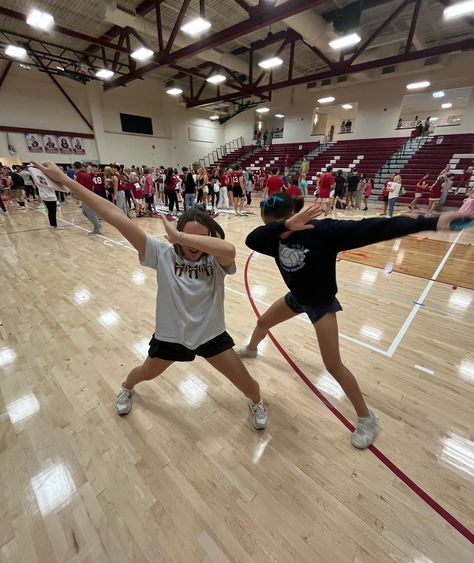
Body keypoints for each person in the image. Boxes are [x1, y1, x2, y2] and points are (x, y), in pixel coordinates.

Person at [33, 160, 268, 430]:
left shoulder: (216, 258)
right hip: (171, 337)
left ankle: (256, 401)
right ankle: (126, 387)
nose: (192, 246)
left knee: (248, 384)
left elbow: (228, 249)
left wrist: (182, 236)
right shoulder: (161, 252)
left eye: (198, 239)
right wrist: (65, 179)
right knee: (144, 373)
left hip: (210, 334)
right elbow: (114, 214)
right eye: (186, 237)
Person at [236, 194, 471, 448]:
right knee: (263, 323)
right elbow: (252, 239)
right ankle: (251, 349)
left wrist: (432, 222)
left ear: (295, 213)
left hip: (321, 305)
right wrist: (283, 228)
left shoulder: (324, 231)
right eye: (274, 226)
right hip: (295, 298)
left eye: (280, 223)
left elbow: (377, 227)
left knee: (333, 365)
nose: (277, 230)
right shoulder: (272, 237)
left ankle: (367, 417)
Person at [73, 161, 101, 235]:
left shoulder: (80, 175)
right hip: (89, 194)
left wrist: (77, 197)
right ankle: (97, 225)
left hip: (86, 196)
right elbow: (92, 186)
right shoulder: (86, 174)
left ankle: (97, 228)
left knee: (89, 213)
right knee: (85, 212)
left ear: (74, 167)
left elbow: (80, 188)